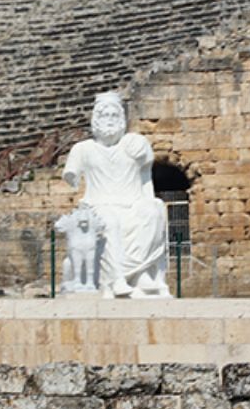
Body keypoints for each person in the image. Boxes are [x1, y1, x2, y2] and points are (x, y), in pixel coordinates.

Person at [63, 92, 171, 298]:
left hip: (132, 203)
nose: (110, 120)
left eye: (114, 115)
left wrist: (141, 148)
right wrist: (72, 177)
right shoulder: (83, 148)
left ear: (122, 119)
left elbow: (146, 160)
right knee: (109, 221)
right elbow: (71, 176)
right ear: (95, 120)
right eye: (105, 116)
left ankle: (140, 276)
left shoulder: (134, 143)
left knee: (154, 209)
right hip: (98, 204)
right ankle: (117, 279)